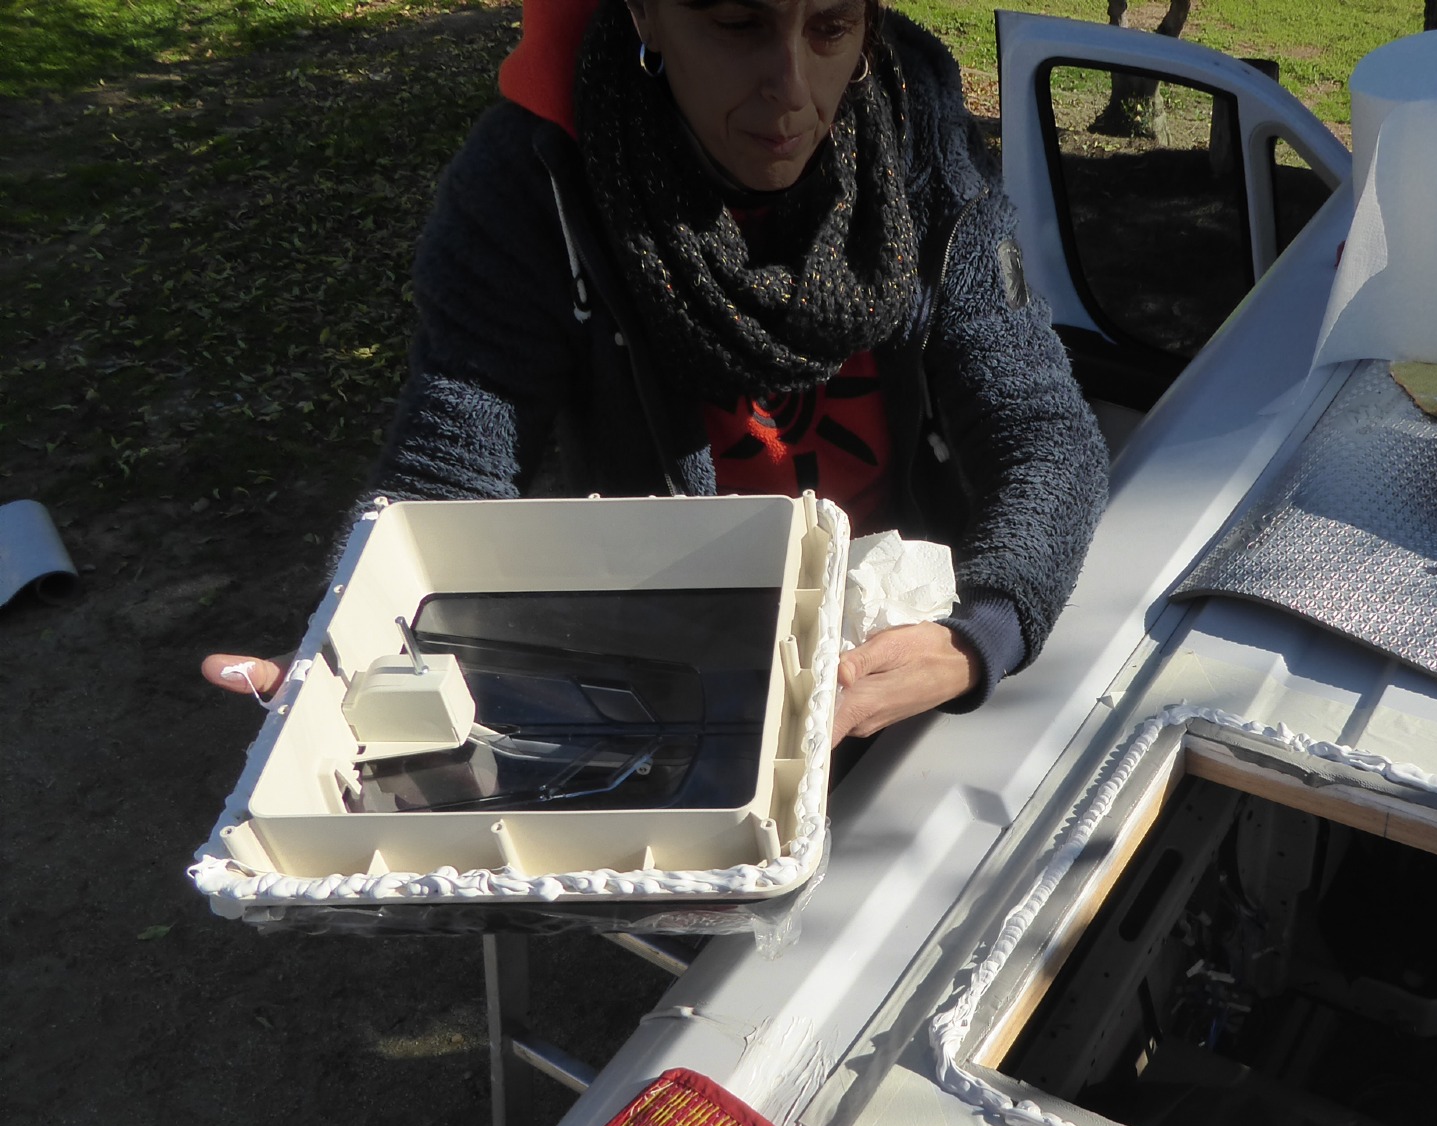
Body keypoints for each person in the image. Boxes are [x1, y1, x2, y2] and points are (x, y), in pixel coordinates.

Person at [204, 0, 1108, 745]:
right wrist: (353, 644)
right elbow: (449, 471)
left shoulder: (919, 137)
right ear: (646, 15)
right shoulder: (533, 181)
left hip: (913, 651)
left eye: (830, 27)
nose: (792, 88)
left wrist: (977, 634)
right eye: (738, 23)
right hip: (675, 675)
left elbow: (1039, 426)